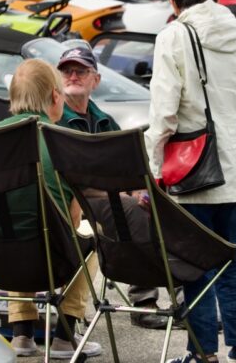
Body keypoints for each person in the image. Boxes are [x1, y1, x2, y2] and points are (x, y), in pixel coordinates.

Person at [145, 0, 236, 363]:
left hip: (194, 174)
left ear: (173, 0)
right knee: (231, 259)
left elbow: (164, 113)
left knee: (194, 265)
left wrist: (152, 167)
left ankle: (202, 354)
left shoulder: (174, 36)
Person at [0, 59, 102, 359]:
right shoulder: (62, 143)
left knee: (18, 224)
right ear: (56, 97)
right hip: (47, 263)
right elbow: (71, 219)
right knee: (93, 232)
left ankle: (21, 333)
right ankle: (65, 335)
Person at [55, 45, 167, 331]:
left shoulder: (105, 121)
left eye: (81, 70)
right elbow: (70, 181)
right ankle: (143, 302)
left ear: (96, 80)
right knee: (131, 209)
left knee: (152, 204)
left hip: (107, 202)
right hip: (71, 206)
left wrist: (138, 192)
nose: (73, 76)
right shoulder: (54, 120)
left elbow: (128, 172)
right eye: (67, 71)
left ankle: (180, 300)